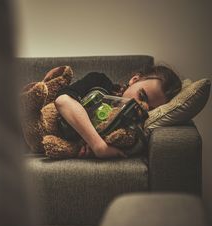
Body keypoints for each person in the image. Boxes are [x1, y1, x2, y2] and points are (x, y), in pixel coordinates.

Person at [54, 65, 182, 159]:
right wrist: (98, 146)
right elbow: (63, 101)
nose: (140, 106)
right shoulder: (100, 83)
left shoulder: (133, 129)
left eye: (151, 108)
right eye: (142, 96)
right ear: (134, 80)